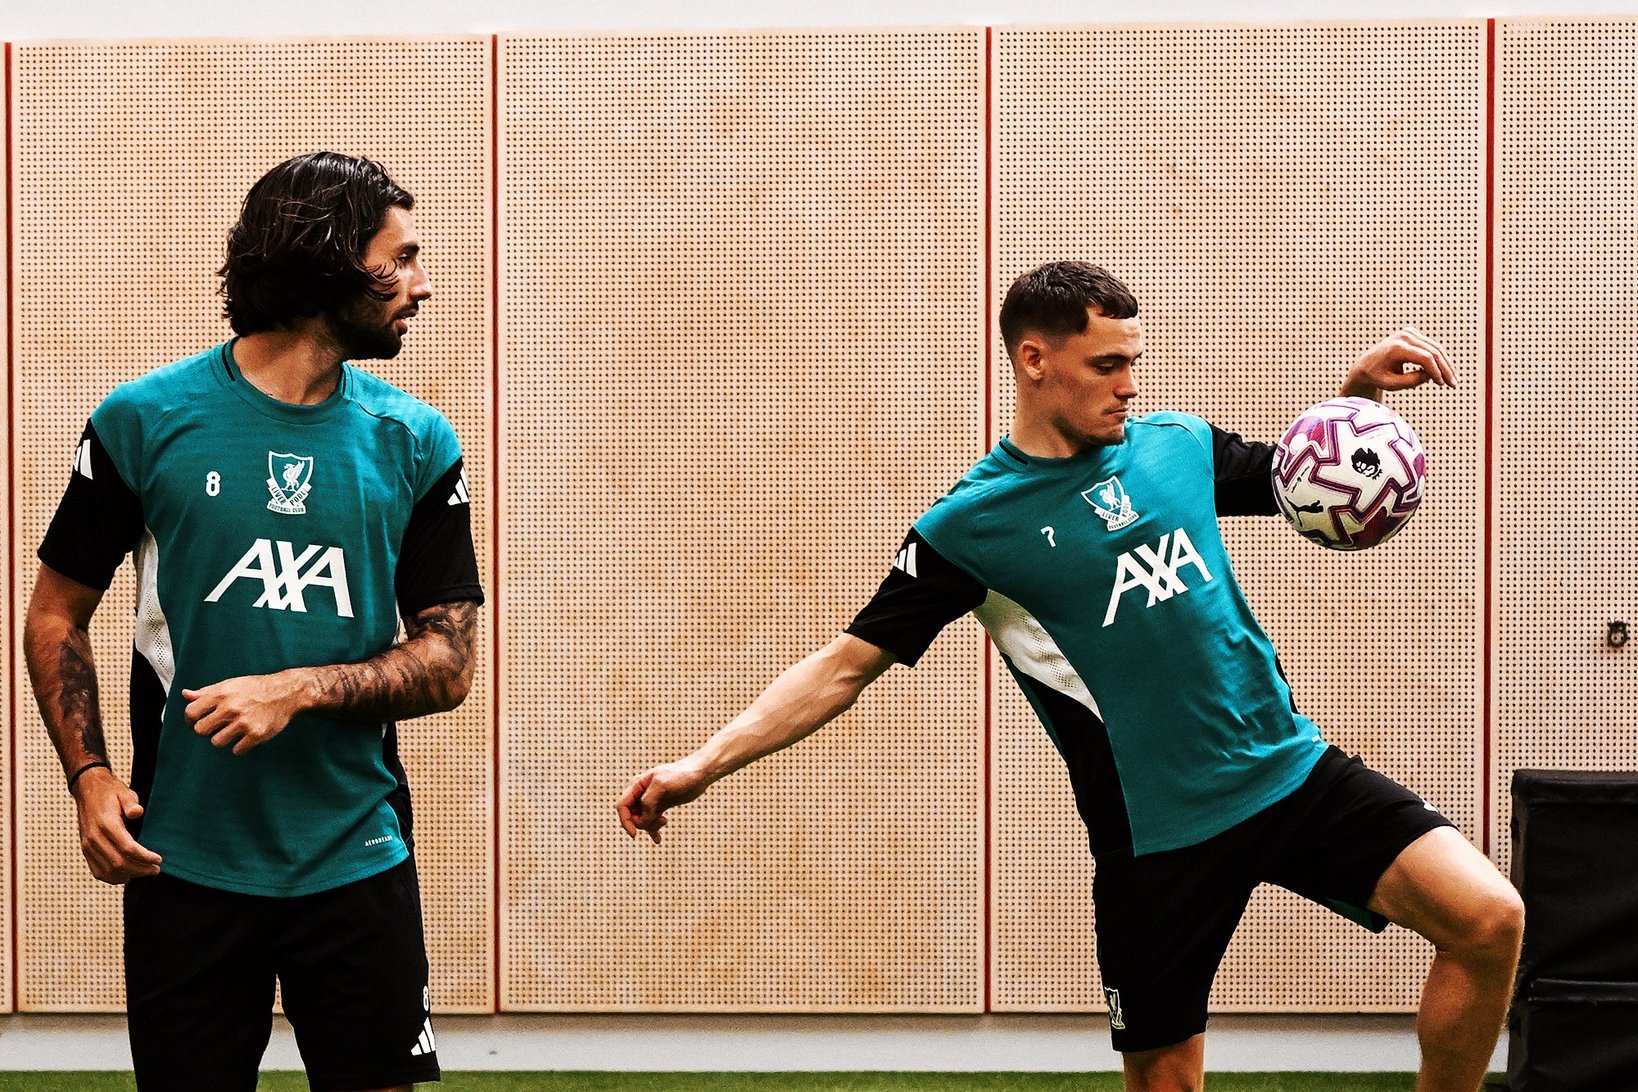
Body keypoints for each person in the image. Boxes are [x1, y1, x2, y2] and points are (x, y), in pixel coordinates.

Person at [617, 261, 1523, 1092]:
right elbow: (845, 666)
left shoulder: (1176, 445)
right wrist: (701, 765)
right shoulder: (970, 526)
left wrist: (1356, 400)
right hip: (1156, 840)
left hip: (1290, 774)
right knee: (1167, 1084)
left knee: (1488, 918)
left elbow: (1308, 484)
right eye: (1105, 365)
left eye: (1134, 362)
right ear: (1034, 360)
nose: (1129, 385)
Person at [24, 151, 483, 1092]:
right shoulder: (143, 421)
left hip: (356, 856)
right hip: (182, 860)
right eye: (399, 259)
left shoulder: (416, 441)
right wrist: (90, 777)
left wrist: (300, 689)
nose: (423, 285)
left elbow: (449, 662)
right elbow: (55, 615)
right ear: (328, 262)